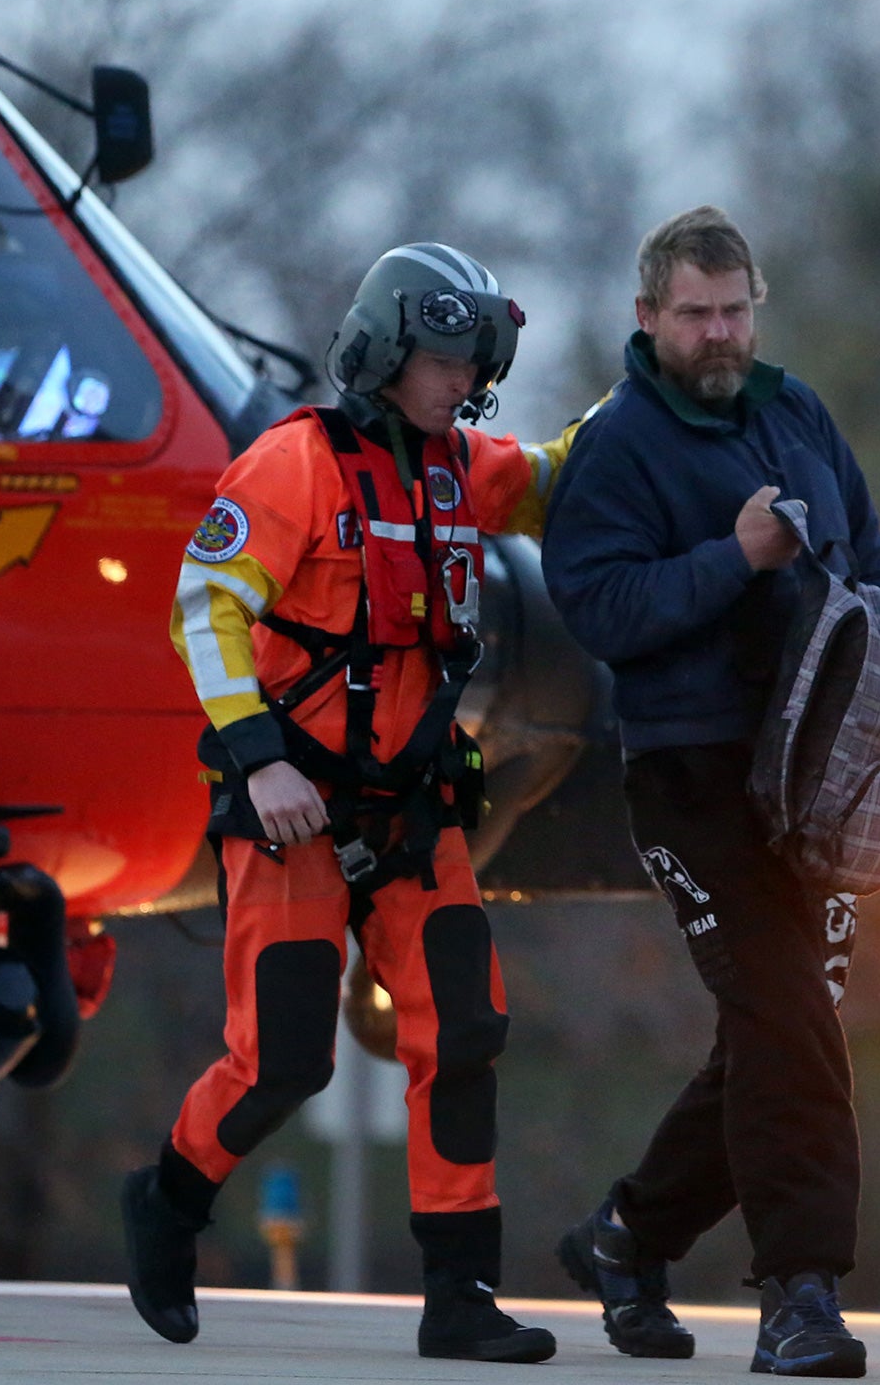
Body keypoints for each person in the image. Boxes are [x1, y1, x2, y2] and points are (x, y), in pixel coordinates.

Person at [122, 243, 578, 1364]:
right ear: (380, 352)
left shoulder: (463, 469)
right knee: (282, 1060)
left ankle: (459, 1295)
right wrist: (259, 759)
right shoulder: (292, 467)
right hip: (292, 814)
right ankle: (169, 1200)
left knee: (463, 1031)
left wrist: (656, 384)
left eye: (469, 360)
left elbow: (565, 473)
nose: (454, 380)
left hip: (416, 816)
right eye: (435, 358)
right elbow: (202, 611)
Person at [541, 206, 880, 1379]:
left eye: (733, 310)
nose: (717, 333)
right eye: (692, 314)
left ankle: (627, 1238)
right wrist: (737, 558)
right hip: (689, 776)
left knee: (782, 1031)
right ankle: (799, 1298)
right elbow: (602, 613)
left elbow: (871, 560)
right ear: (646, 318)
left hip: (815, 777)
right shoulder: (610, 446)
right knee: (788, 1022)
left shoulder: (795, 410)